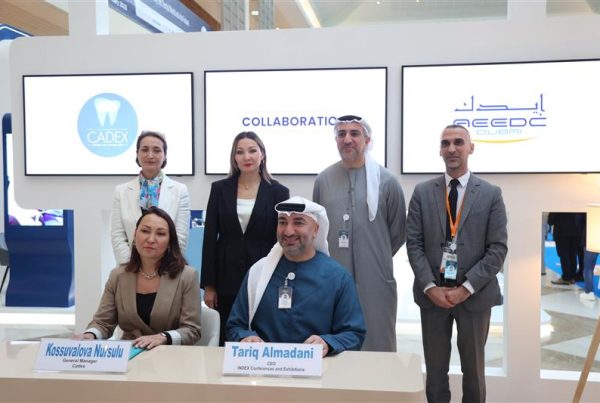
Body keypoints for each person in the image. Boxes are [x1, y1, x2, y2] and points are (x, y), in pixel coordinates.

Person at [406, 124, 508, 403]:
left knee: (474, 372)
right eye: (445, 143)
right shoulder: (422, 192)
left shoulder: (490, 193)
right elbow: (413, 244)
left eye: (458, 142)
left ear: (470, 148)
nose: (452, 148)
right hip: (433, 297)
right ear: (440, 150)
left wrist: (466, 287)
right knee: (435, 371)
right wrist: (429, 287)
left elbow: (497, 249)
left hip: (475, 296)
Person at [226, 196, 366, 356]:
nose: (288, 231)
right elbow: (235, 326)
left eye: (298, 222)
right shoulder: (258, 272)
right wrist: (246, 337)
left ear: (316, 230)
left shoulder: (338, 278)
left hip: (320, 373)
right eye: (282, 222)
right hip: (263, 372)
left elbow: (354, 334)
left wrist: (327, 343)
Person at [312, 115, 405, 352]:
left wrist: (373, 255)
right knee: (334, 344)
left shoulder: (387, 181)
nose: (347, 139)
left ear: (367, 140)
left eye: (354, 134)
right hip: (332, 279)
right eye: (341, 134)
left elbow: (397, 233)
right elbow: (317, 230)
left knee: (378, 346)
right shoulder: (323, 180)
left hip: (376, 280)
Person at [201, 131, 289, 346]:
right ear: (234, 158)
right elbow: (210, 238)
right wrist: (209, 285)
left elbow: (282, 240)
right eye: (240, 152)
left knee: (262, 335)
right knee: (228, 337)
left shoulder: (279, 192)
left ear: (262, 155)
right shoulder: (219, 189)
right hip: (225, 279)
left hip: (264, 275)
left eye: (252, 150)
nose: (246, 157)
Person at [77, 207, 201, 347]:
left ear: (169, 243)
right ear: (135, 236)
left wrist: (163, 337)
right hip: (129, 354)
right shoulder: (118, 275)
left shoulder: (187, 276)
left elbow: (192, 330)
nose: (151, 239)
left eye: (160, 234)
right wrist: (90, 335)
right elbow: (103, 322)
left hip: (168, 356)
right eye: (145, 231)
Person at [111, 130, 190, 265]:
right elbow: (118, 236)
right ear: (137, 154)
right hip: (130, 268)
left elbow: (180, 237)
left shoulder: (179, 191)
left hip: (167, 269)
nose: (150, 155)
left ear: (164, 156)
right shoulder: (121, 191)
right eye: (145, 149)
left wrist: (165, 267)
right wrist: (130, 267)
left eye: (157, 150)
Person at [548, 212, 586, 285]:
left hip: (561, 232)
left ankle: (566, 277)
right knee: (572, 255)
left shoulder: (558, 206)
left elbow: (550, 221)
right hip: (576, 232)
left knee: (564, 255)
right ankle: (572, 276)